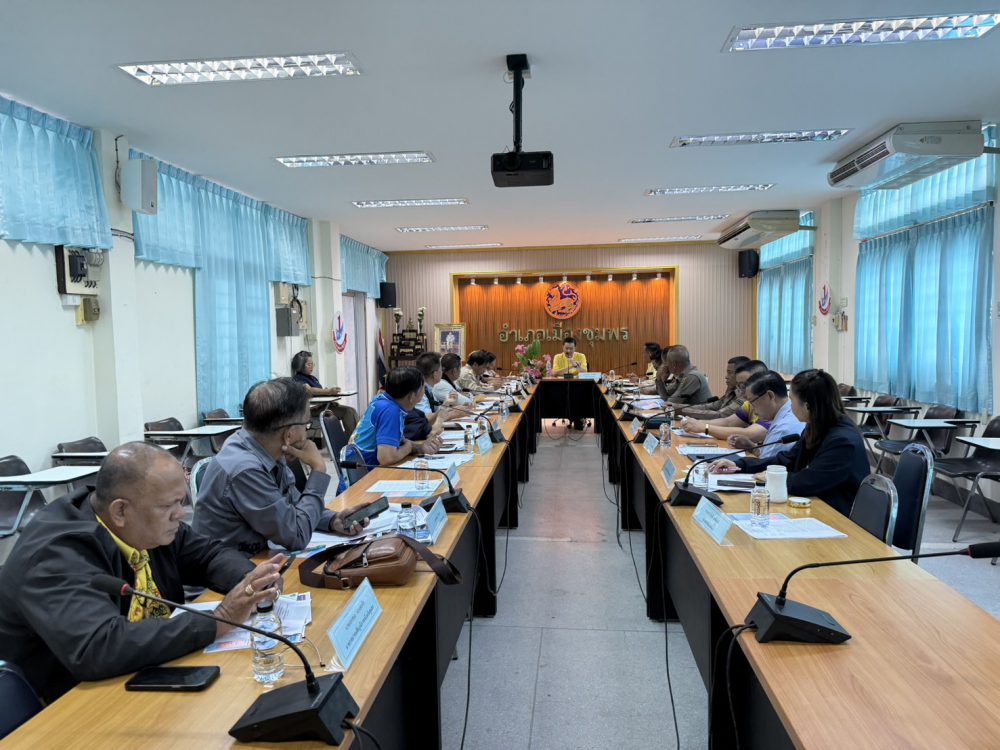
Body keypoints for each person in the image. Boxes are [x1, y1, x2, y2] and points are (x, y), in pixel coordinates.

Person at [0, 442, 283, 703]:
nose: (181, 514)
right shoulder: (56, 554)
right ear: (120, 511)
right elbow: (99, 647)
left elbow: (209, 554)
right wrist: (220, 619)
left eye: (181, 502)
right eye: (169, 506)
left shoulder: (143, 522)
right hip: (62, 703)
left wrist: (253, 582)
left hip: (141, 673)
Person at [194, 378, 369, 556]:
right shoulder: (245, 470)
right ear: (289, 434)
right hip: (232, 569)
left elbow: (292, 508)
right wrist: (318, 469)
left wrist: (332, 520)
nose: (306, 431)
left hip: (256, 559)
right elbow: (297, 535)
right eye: (306, 424)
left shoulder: (266, 446)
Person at [710, 369, 869, 516]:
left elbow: (809, 481)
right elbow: (787, 460)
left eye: (792, 401)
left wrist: (772, 477)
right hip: (817, 506)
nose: (790, 407)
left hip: (838, 516)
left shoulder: (843, 441)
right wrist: (740, 465)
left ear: (807, 406)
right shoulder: (817, 425)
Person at [351, 366, 443, 466]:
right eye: (422, 388)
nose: (423, 392)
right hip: (366, 472)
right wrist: (408, 448)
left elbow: (398, 443)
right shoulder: (390, 411)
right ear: (412, 396)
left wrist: (420, 448)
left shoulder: (383, 400)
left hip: (359, 466)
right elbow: (386, 457)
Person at [681, 360, 769, 441]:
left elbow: (749, 434)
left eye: (744, 385)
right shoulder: (748, 404)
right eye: (739, 386)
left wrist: (705, 427)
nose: (741, 391)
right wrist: (696, 423)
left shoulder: (769, 407)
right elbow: (728, 422)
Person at [725, 370, 804, 459]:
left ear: (770, 396)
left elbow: (764, 464)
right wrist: (752, 447)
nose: (753, 410)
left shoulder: (783, 429)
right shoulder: (788, 413)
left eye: (752, 402)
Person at [290, 350, 359, 436]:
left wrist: (330, 398)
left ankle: (357, 439)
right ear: (300, 366)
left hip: (323, 407)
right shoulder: (298, 379)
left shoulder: (313, 378)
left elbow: (319, 393)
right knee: (348, 412)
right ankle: (354, 441)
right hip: (311, 410)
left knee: (351, 410)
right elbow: (309, 390)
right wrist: (329, 391)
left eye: (312, 364)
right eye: (309, 364)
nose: (312, 366)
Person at [405, 352, 466, 440]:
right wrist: (449, 413)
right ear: (435, 374)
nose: (443, 372)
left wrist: (448, 407)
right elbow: (425, 419)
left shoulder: (429, 388)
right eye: (441, 370)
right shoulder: (419, 392)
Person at [677, 355, 750, 420]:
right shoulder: (731, 391)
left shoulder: (744, 395)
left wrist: (682, 411)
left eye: (729, 372)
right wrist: (678, 407)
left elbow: (721, 415)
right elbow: (712, 406)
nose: (726, 377)